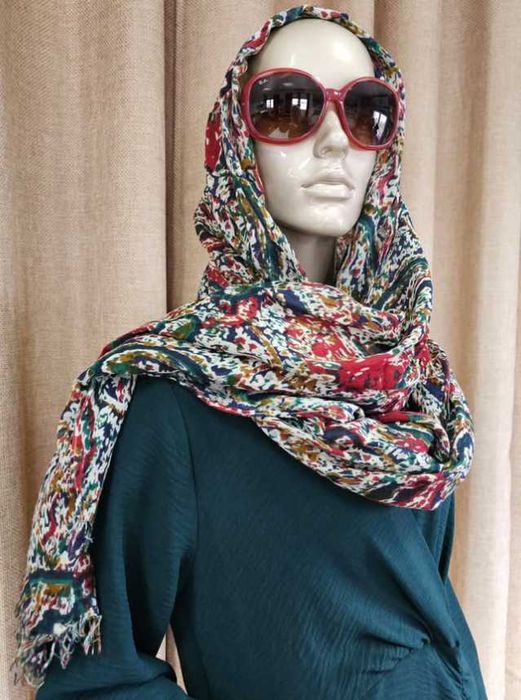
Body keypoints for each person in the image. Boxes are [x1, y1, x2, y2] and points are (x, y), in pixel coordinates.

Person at [13, 5, 488, 699]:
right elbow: (94, 678)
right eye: (288, 107)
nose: (335, 141)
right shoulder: (173, 399)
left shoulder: (408, 380)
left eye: (366, 111)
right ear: (239, 143)